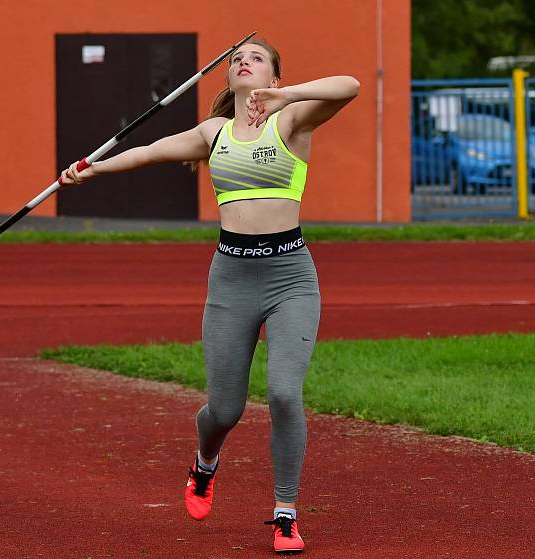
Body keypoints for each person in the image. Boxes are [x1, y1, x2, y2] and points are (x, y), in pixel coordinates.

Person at [60, 38, 359, 555]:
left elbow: (349, 86)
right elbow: (149, 153)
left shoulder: (290, 121)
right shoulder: (213, 133)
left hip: (291, 277)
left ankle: (285, 513)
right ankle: (204, 464)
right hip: (232, 280)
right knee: (224, 409)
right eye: (235, 60)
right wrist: (91, 168)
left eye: (257, 57)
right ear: (228, 79)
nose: (242, 62)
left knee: (285, 393)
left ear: (273, 73)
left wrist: (286, 96)